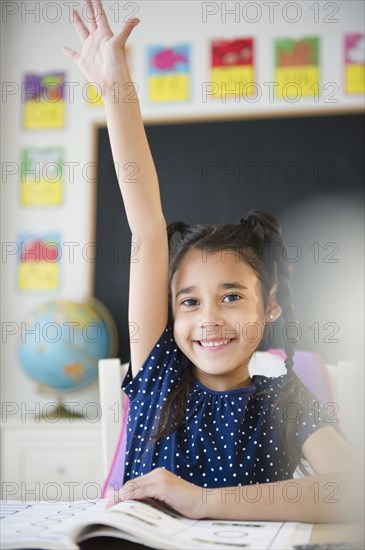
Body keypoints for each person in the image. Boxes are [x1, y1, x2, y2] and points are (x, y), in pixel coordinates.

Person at [63, 0, 361, 522]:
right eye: (190, 301)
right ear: (172, 315)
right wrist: (114, 89)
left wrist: (203, 502)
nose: (208, 318)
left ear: (268, 307)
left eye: (231, 296)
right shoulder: (158, 373)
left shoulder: (284, 397)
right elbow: (147, 226)